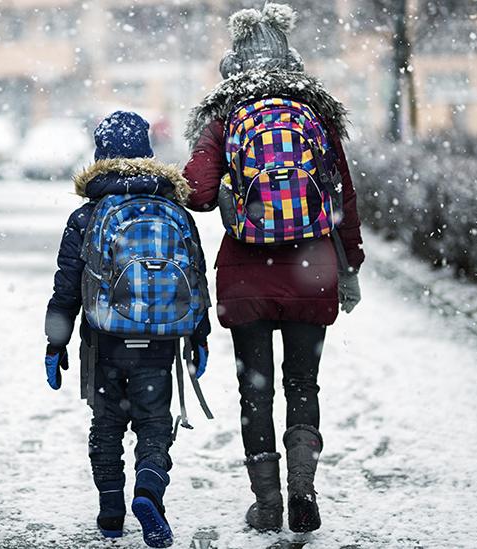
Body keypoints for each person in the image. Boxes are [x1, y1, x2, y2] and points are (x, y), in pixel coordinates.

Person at [182, 2, 365, 534]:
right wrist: (348, 263)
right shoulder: (317, 117)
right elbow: (344, 199)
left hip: (247, 275)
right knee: (302, 384)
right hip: (312, 270)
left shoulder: (225, 117)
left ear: (234, 66)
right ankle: (303, 490)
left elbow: (195, 191)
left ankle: (267, 504)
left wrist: (220, 182)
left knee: (255, 391)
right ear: (291, 61)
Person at [44, 111, 211, 548]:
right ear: (148, 154)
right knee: (154, 423)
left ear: (100, 154)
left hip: (104, 342)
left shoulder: (88, 216)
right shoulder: (173, 209)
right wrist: (199, 335)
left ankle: (112, 512)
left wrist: (55, 344)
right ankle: (149, 491)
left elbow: (66, 289)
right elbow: (195, 278)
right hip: (158, 342)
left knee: (107, 425)